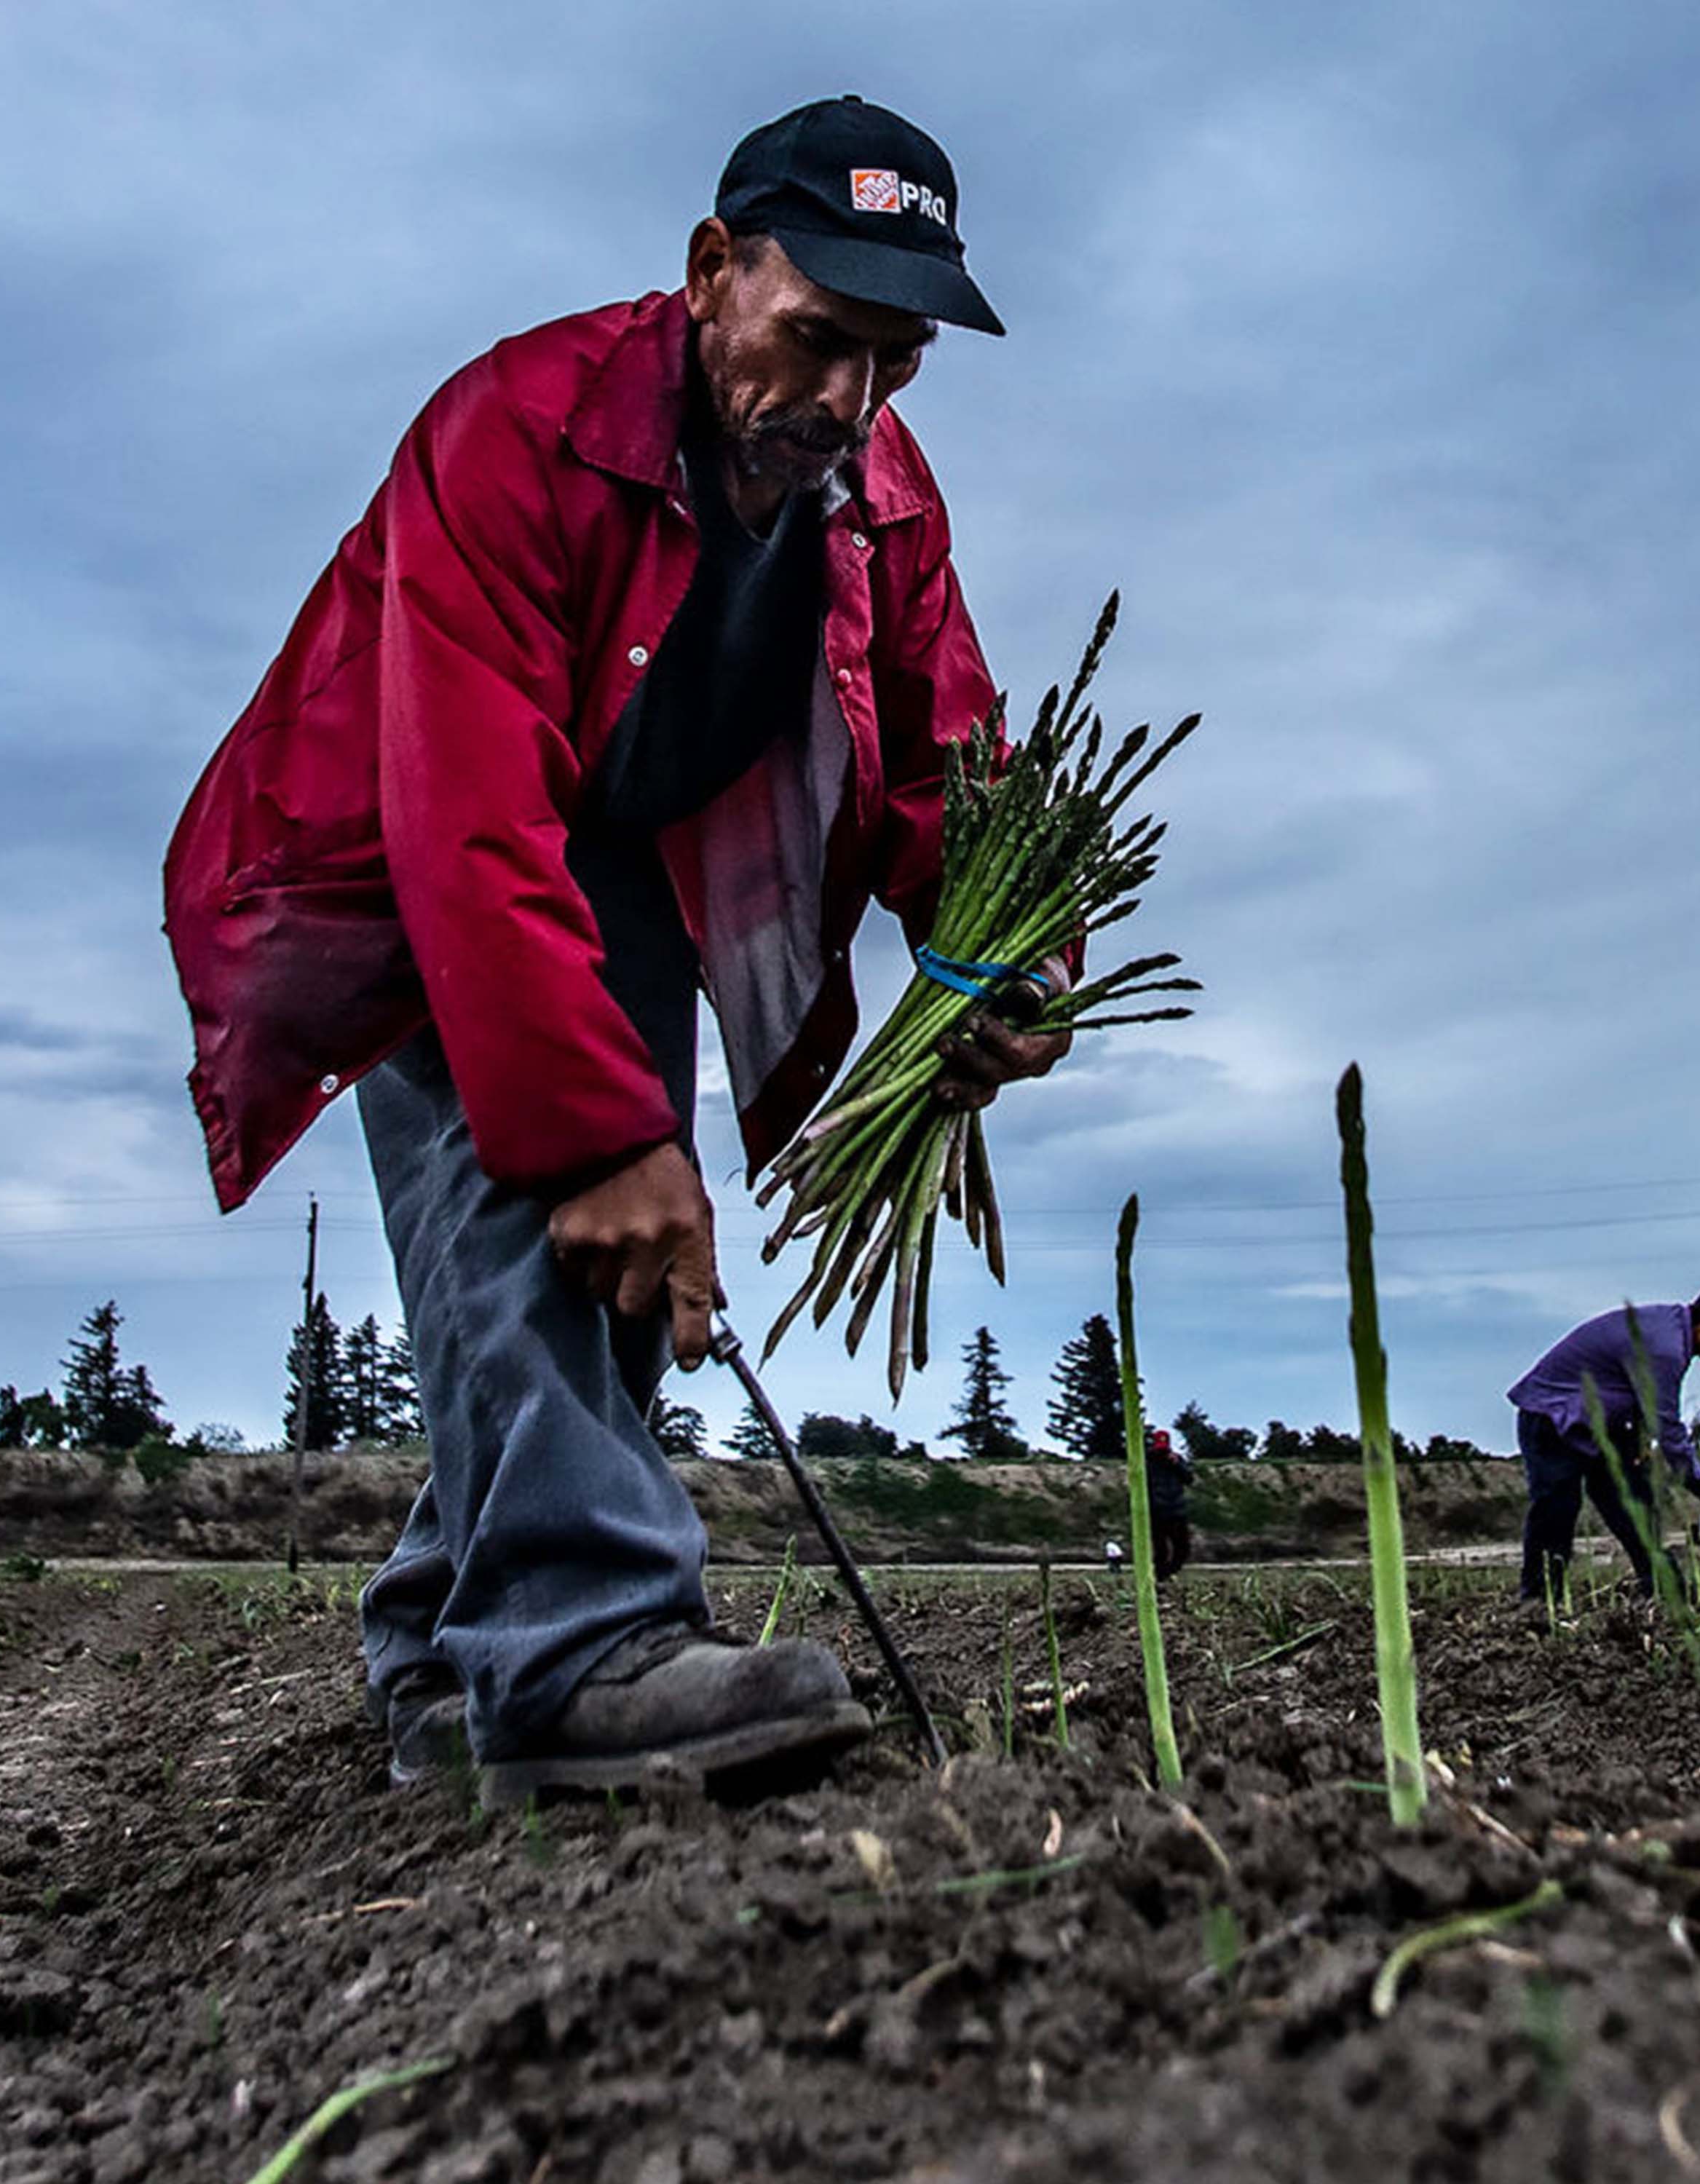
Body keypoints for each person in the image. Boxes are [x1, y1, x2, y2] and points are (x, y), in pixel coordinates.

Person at [163, 97, 1067, 1799]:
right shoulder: (514, 428)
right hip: (393, 853)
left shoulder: (874, 489)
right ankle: (580, 1647)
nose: (847, 402)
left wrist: (1001, 946)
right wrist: (591, 1134)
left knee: (628, 1264)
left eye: (893, 361)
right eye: (815, 338)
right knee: (555, 1196)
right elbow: (470, 822)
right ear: (711, 271)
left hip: (628, 840)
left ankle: (448, 1646)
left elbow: (940, 753)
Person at [1508, 1288, 1700, 1612]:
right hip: (1553, 1418)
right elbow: (1668, 1430)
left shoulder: (1670, 1330)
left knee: (1634, 1506)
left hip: (1600, 1425)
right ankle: (1538, 1603)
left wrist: (1637, 1442)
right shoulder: (1666, 1347)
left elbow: (1632, 1392)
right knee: (1557, 1509)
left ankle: (1668, 1596)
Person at [1144, 1425, 1193, 1581]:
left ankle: (1170, 1571)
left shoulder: (1176, 1460)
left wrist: (1177, 1464)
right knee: (1161, 1550)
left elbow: (1189, 1479)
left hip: (1177, 1510)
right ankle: (1161, 1577)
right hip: (1157, 1511)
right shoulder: (1147, 1462)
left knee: (1183, 1548)